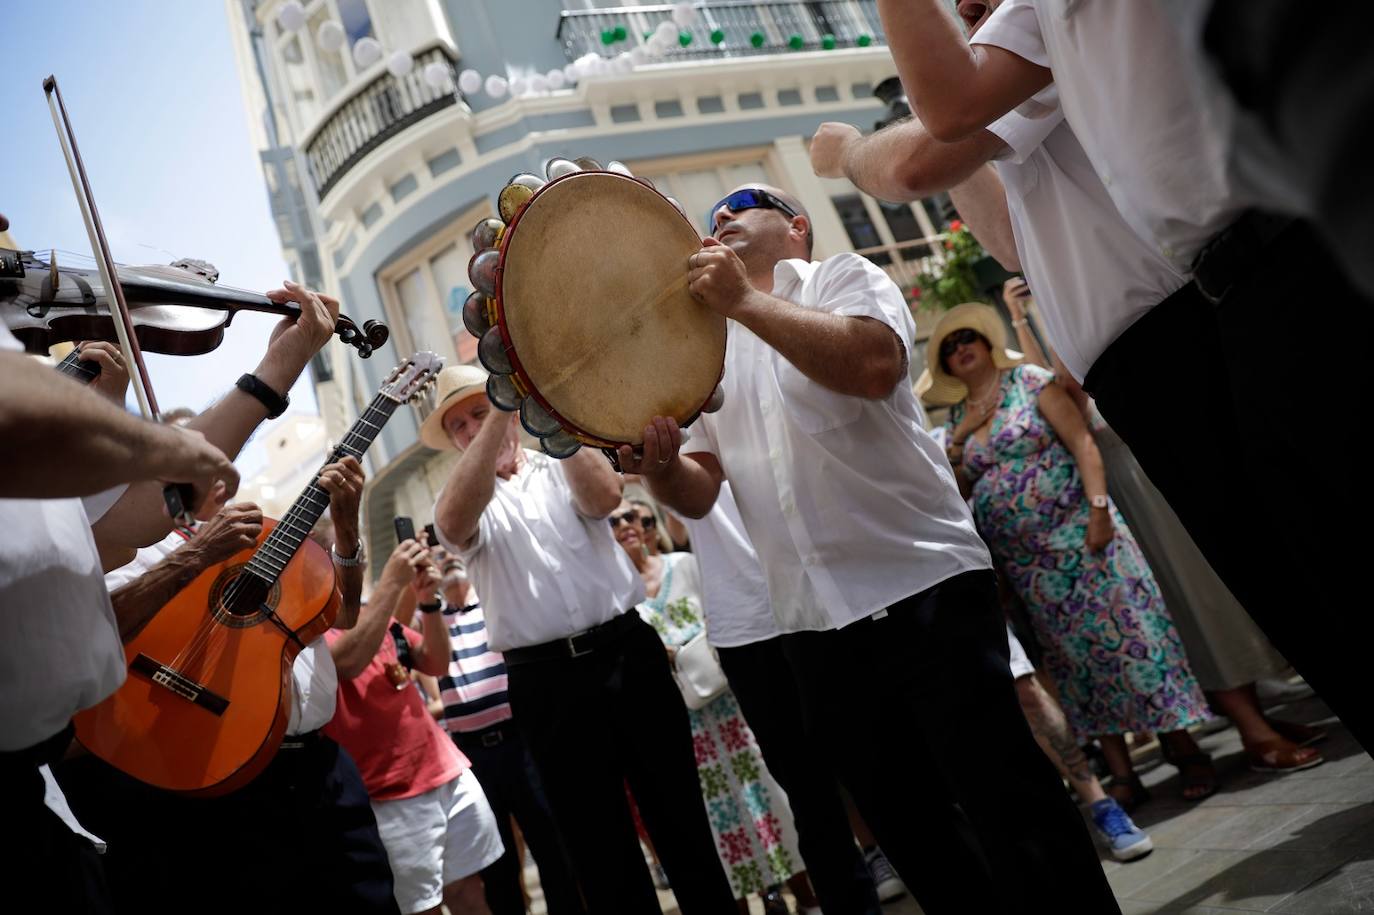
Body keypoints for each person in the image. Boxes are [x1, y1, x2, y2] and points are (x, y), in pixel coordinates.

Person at [869, 0, 1374, 756]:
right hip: (1194, 313)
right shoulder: (1031, 33)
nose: (965, 13)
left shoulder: (1027, 26)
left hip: (1219, 296)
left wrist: (847, 152)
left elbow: (924, 145)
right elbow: (1000, 227)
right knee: (1299, 578)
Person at [627, 185, 1118, 913]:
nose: (720, 219)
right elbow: (698, 492)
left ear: (797, 225)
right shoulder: (710, 354)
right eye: (712, 219)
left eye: (739, 203)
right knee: (915, 835)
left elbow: (873, 367)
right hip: (812, 627)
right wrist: (659, 463)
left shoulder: (843, 276)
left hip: (922, 591)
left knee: (1010, 806)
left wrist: (745, 304)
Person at [424, 364, 735, 914]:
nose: (474, 429)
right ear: (452, 442)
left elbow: (604, 496)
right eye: (460, 426)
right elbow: (451, 524)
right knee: (600, 853)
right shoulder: (468, 498)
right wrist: (499, 405)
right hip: (545, 682)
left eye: (478, 411)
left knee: (682, 822)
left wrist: (538, 410)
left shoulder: (558, 459)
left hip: (625, 654)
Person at [1002, 282, 1326, 774]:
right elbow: (1053, 386)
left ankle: (1262, 713)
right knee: (1192, 602)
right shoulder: (1063, 333)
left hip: (1165, 460)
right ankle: (1252, 729)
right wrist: (1024, 317)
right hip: (1130, 479)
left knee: (1220, 587)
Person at [55, 457, 401, 914]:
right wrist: (196, 558)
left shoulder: (259, 537)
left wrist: (346, 525)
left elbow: (344, 613)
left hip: (324, 769)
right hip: (225, 772)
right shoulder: (122, 551)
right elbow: (102, 630)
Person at [922, 303, 1214, 805]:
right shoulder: (954, 423)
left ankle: (1184, 749)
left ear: (987, 343)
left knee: (1131, 638)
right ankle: (1122, 773)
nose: (959, 348)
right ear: (946, 367)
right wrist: (964, 436)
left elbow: (1082, 443)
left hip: (1084, 536)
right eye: (949, 348)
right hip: (1030, 565)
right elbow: (961, 487)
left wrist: (1099, 510)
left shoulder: (1031, 382)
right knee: (1076, 663)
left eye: (966, 337)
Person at [663, 483, 887, 913]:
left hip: (823, 600)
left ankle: (886, 858)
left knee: (873, 770)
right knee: (809, 798)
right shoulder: (676, 417)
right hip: (748, 629)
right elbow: (680, 517)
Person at [611, 499, 818, 914]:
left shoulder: (684, 565)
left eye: (632, 516)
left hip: (729, 704)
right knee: (716, 818)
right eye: (613, 522)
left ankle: (805, 895)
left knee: (767, 794)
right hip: (682, 723)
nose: (626, 525)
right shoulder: (616, 598)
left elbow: (717, 611)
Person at [325, 537, 504, 915]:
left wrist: (427, 602)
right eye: (346, 554)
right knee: (424, 907)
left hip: (444, 773)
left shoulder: (377, 616)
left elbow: (435, 662)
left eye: (357, 551)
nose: (357, 560)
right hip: (389, 795)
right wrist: (391, 585)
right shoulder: (311, 632)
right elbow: (346, 663)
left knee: (471, 891)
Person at [427, 555, 584, 915]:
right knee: (496, 863)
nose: (448, 557)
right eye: (439, 553)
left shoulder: (494, 605)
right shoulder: (432, 620)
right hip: (472, 756)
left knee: (552, 847)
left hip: (520, 742)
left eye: (453, 550)